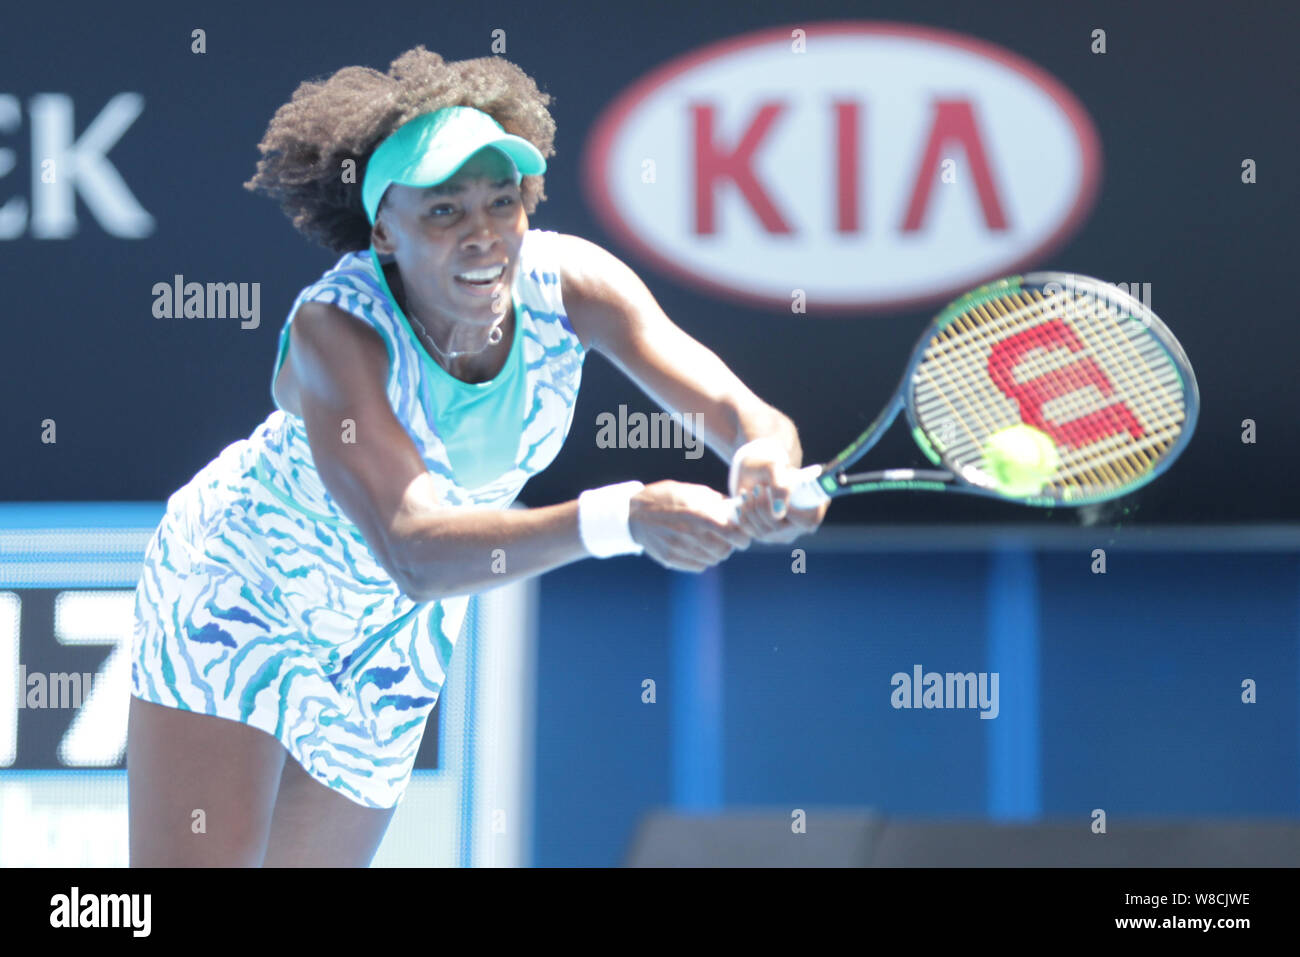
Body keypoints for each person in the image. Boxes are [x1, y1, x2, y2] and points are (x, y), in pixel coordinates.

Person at [127, 46, 828, 867]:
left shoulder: (573, 288)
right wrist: (624, 515)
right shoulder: (336, 332)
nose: (485, 234)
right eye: (445, 212)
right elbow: (414, 546)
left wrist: (767, 465)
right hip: (240, 591)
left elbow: (748, 418)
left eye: (503, 200)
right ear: (384, 226)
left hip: (389, 640)